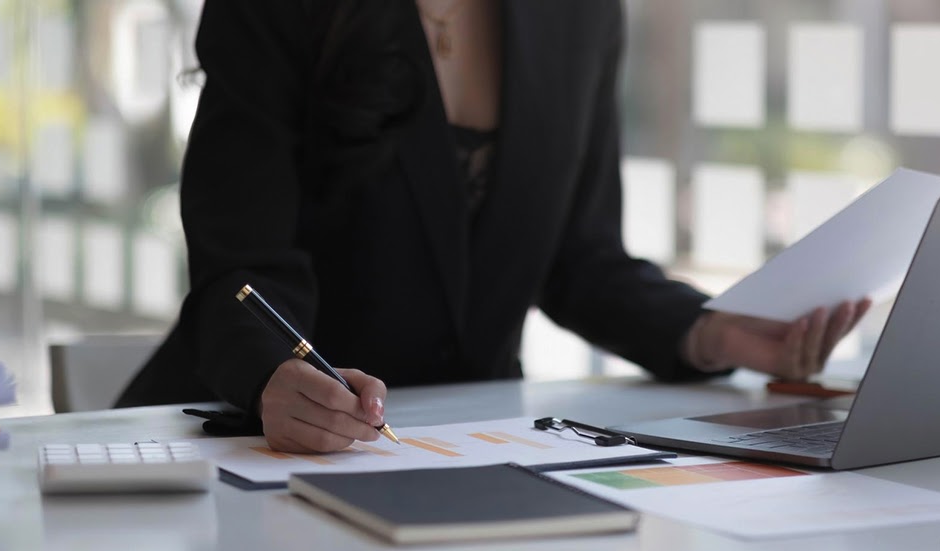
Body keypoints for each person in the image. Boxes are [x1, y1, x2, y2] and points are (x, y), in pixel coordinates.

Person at [117, 0, 870, 453]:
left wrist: (707, 332)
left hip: (470, 450)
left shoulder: (580, 14)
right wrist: (270, 376)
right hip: (259, 449)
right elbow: (239, 273)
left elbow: (580, 257)